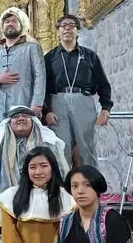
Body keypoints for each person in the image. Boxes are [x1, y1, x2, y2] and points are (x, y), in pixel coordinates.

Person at [0, 106, 69, 243]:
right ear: (8, 122)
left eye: (25, 116)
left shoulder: (49, 144)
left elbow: (62, 173)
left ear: (33, 121)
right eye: (16, 116)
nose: (20, 118)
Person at [43, 14, 113, 168]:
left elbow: (103, 84)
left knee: (86, 147)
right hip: (58, 101)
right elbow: (43, 87)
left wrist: (106, 109)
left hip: (83, 99)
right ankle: (62, 189)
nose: (67, 28)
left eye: (71, 25)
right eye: (63, 26)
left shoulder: (89, 56)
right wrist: (46, 110)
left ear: (77, 31)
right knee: (61, 148)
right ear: (58, 32)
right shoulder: (49, 58)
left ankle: (91, 186)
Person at [0, 6, 46, 136]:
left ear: (21, 25)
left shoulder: (32, 48)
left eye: (14, 21)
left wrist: (37, 104)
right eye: (7, 22)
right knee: (0, 148)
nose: (10, 24)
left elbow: (40, 77)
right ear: (2, 26)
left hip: (24, 104)